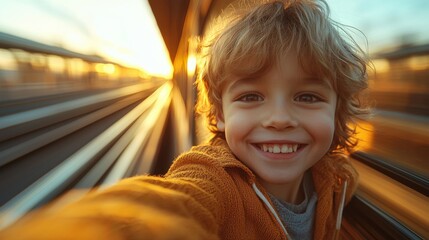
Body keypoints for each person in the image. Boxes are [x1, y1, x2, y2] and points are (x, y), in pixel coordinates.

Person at [0, 0, 370, 239]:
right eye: (250, 97)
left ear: (336, 114)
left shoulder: (335, 177)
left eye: (307, 97)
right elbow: (155, 209)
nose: (278, 118)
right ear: (221, 115)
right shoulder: (216, 181)